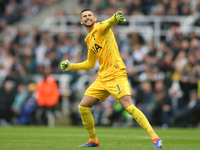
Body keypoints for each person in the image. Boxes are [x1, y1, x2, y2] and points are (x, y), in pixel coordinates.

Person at [60, 9, 162, 148]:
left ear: (94, 18)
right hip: (103, 77)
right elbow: (90, 63)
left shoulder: (100, 27)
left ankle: (155, 138)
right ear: (81, 21)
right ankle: (93, 140)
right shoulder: (88, 39)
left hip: (116, 73)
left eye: (90, 15)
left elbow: (109, 22)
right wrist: (71, 66)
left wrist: (115, 17)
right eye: (85, 16)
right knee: (83, 107)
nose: (88, 17)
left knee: (129, 106)